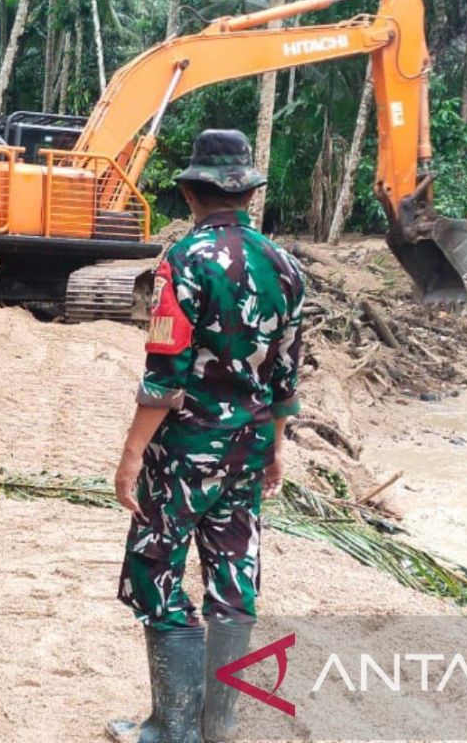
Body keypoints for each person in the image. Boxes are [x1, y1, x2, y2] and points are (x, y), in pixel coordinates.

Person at [105, 130, 305, 743]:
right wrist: (275, 445)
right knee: (233, 579)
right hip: (246, 449)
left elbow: (165, 372)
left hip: (184, 452)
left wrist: (132, 452)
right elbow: (286, 371)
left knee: (155, 571)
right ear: (244, 192)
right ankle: (218, 725)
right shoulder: (286, 265)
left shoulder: (183, 262)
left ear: (192, 192)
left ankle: (172, 728)